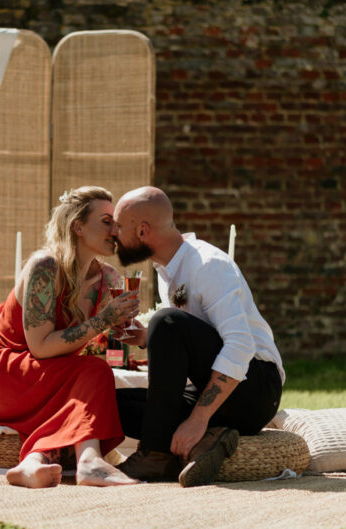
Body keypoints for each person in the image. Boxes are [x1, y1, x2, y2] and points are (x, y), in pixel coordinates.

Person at [0, 186, 141, 488]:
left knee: (81, 380)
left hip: (38, 378)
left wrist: (132, 332)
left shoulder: (109, 279)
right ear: (78, 226)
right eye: (106, 221)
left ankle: (33, 462)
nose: (115, 230)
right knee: (91, 372)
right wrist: (104, 319)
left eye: (115, 223)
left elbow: (97, 342)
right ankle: (90, 461)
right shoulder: (45, 267)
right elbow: (40, 347)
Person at [110, 186, 285, 487]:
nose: (114, 236)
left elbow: (240, 345)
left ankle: (156, 455)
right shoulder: (168, 271)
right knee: (109, 403)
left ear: (142, 231)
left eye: (118, 227)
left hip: (256, 390)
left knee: (165, 321)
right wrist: (146, 338)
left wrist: (197, 419)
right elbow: (188, 343)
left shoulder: (208, 265)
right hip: (213, 389)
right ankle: (211, 438)